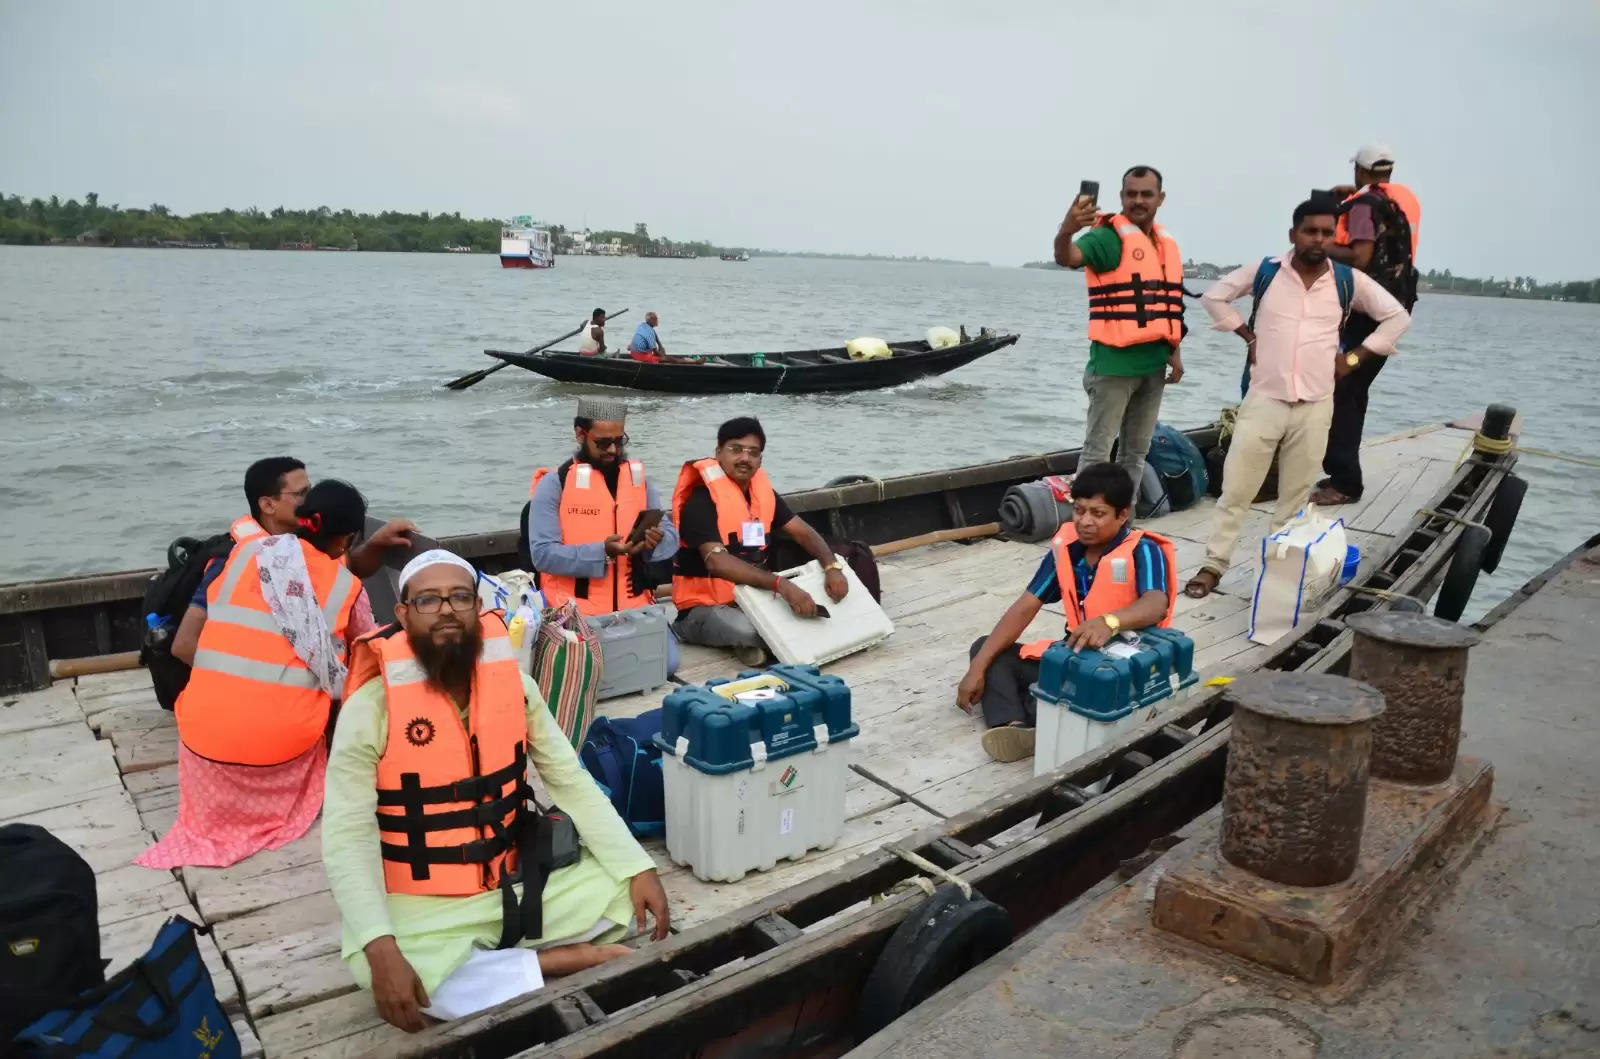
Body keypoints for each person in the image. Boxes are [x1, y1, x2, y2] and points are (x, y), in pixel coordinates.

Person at [323, 551, 669, 1032]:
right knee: (379, 966)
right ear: (403, 615)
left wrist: (638, 866)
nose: (446, 609)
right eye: (428, 600)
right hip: (425, 903)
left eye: (459, 597)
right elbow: (346, 833)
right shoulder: (370, 707)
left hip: (514, 880)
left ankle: (501, 967)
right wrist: (381, 945)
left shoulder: (517, 687)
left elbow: (569, 780)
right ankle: (554, 962)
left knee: (622, 897)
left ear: (478, 607)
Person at [137, 480, 378, 870]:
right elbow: (368, 654)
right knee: (352, 685)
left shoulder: (243, 554)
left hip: (200, 742)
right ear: (347, 539)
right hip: (275, 754)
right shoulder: (346, 587)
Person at [1186, 199, 1410, 598]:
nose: (1319, 239)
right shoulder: (1268, 271)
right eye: (1311, 231)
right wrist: (1247, 335)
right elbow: (1215, 297)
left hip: (1315, 405)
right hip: (1264, 401)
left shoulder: (1346, 280)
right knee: (1235, 491)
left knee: (1294, 499)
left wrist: (1354, 357)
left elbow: (1397, 316)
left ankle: (1278, 576)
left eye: (1327, 232)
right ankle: (1213, 565)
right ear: (1294, 234)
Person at [957, 463, 1175, 762]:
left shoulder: (1143, 549)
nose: (1085, 521)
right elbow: (1025, 606)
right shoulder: (1068, 549)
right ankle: (1015, 727)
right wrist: (976, 669)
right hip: (1076, 659)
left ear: (1123, 514)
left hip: (1126, 670)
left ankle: (1039, 712)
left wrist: (1111, 621)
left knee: (1079, 697)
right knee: (986, 649)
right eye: (1079, 510)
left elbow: (1156, 603)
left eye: (1098, 513)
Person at [171, 457, 417, 667]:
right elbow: (184, 645)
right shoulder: (232, 559)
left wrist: (376, 544)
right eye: (301, 494)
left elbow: (339, 568)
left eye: (310, 490)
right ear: (268, 505)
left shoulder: (299, 546)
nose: (310, 500)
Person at [671, 416, 847, 666]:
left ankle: (754, 649)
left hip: (754, 597)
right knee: (755, 631)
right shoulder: (700, 501)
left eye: (753, 452)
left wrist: (831, 566)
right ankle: (737, 641)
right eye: (736, 449)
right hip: (704, 607)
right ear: (718, 452)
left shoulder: (762, 494)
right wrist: (782, 585)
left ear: (760, 460)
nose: (745, 458)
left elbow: (802, 531)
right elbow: (717, 564)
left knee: (807, 616)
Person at [1054, 165, 1187, 490]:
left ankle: (1122, 526)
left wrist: (1175, 353)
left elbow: (1164, 306)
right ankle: (1085, 532)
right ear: (1121, 197)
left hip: (1153, 366)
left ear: (1161, 198)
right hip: (1113, 368)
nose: (1138, 201)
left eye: (1146, 194)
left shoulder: (1163, 242)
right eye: (1131, 194)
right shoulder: (1106, 237)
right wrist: (1066, 230)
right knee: (1097, 455)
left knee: (1135, 454)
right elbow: (1067, 256)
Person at [526, 398, 681, 670]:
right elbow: (542, 555)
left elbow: (671, 537)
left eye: (619, 441)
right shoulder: (553, 485)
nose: (612, 449)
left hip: (635, 610)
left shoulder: (639, 480)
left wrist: (653, 543)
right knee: (590, 670)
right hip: (573, 614)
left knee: (667, 665)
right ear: (580, 434)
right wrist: (603, 552)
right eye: (603, 443)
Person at [1313, 143, 1423, 506]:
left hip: (1367, 314)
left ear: (1360, 172)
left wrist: (1319, 244)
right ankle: (1341, 473)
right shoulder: (1397, 201)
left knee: (1345, 390)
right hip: (1395, 304)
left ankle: (1345, 482)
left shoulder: (1363, 206)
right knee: (1354, 392)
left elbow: (1360, 256)